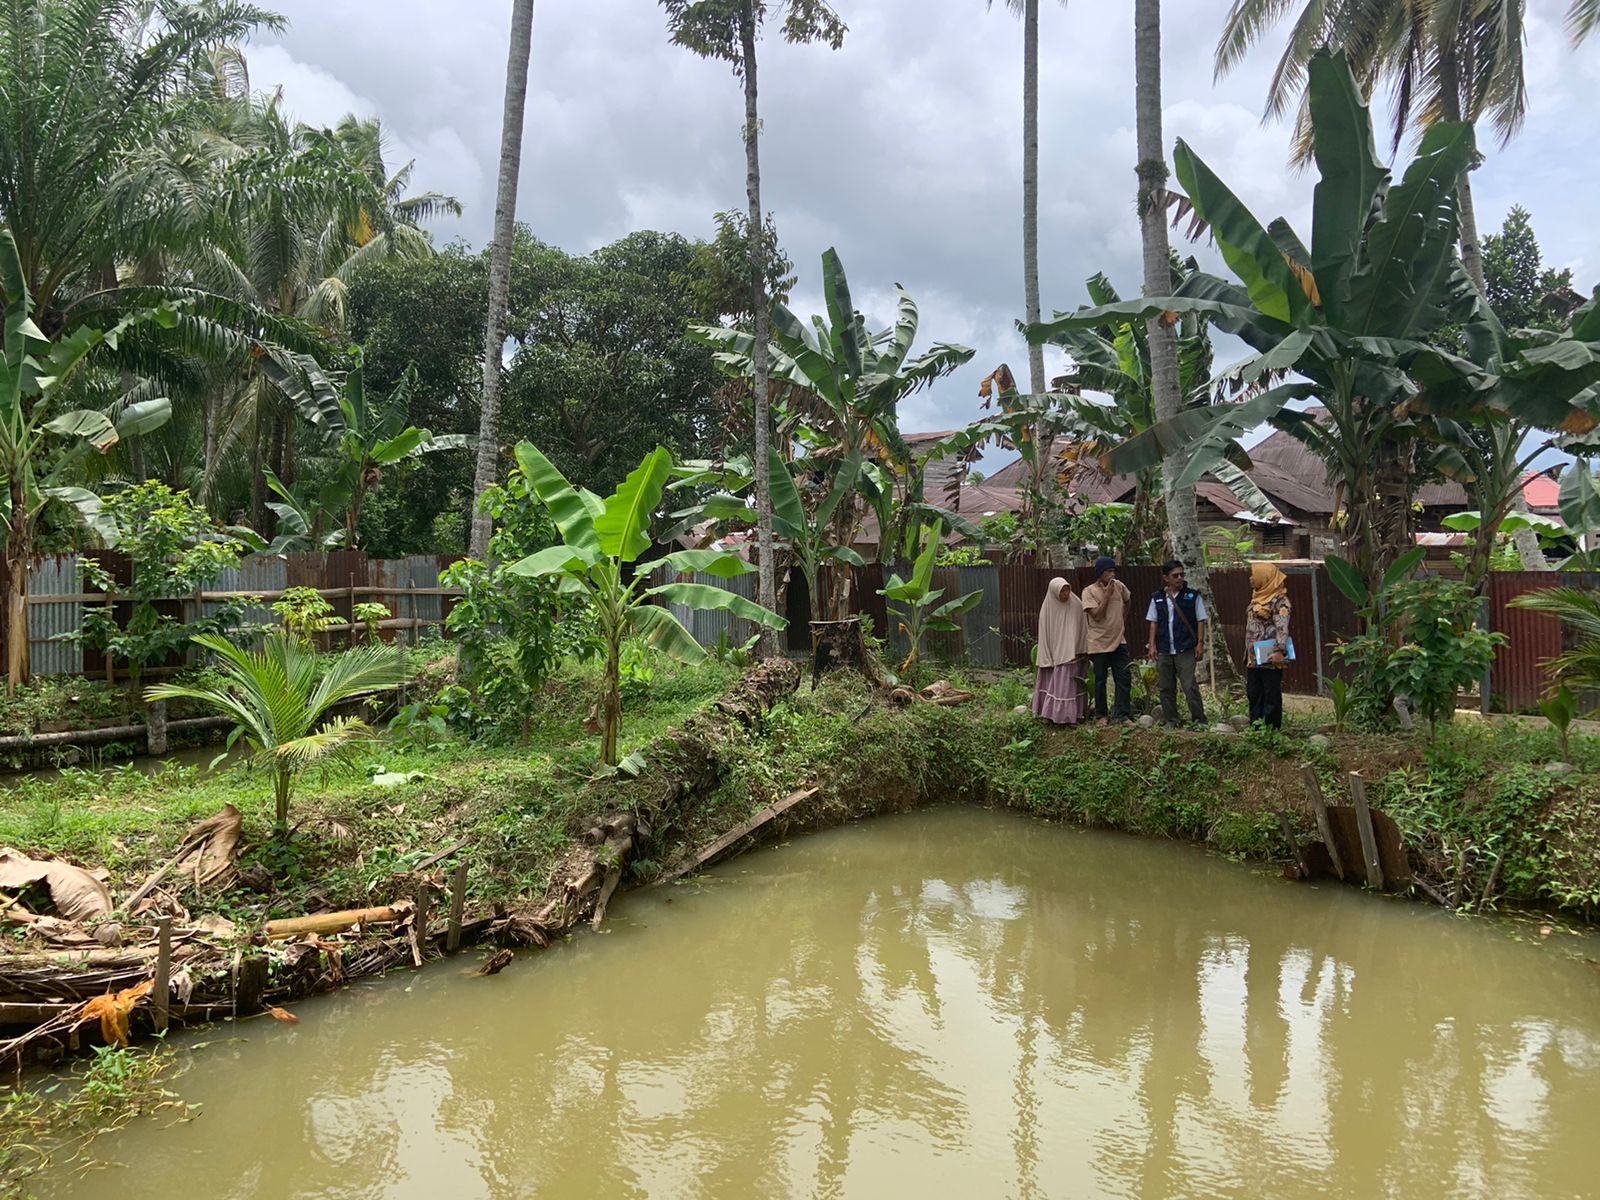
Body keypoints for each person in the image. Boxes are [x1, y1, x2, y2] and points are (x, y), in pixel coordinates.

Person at [1145, 560, 1207, 728]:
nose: (1179, 578)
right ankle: (1172, 720)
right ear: (1166, 578)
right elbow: (1153, 622)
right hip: (1164, 648)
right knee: (1166, 687)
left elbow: (1201, 620)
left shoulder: (1193, 596)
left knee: (1189, 686)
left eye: (1182, 574)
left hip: (1185, 647)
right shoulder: (1157, 598)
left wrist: (1200, 643)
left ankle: (1199, 721)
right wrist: (1152, 645)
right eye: (1175, 575)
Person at [1081, 555, 1132, 723]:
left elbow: (1128, 601)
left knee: (1123, 677)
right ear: (1100, 573)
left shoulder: (1120, 586)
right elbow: (1096, 615)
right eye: (1108, 571)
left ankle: (1122, 715)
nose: (1112, 575)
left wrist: (1121, 620)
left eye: (1113, 571)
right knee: (1100, 680)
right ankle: (1101, 715)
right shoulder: (1089, 591)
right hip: (1098, 643)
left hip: (1119, 640)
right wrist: (1107, 595)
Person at [1033, 576, 1088, 726]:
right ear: (1054, 592)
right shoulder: (1047, 608)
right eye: (1062, 591)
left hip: (1071, 652)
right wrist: (1048, 653)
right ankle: (1049, 714)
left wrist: (1079, 646)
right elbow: (1044, 633)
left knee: (1067, 682)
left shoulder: (1076, 604)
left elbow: (1082, 627)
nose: (1065, 594)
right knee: (1055, 681)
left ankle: (1070, 716)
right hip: (1053, 651)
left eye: (1067, 590)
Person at [1245, 560, 1291, 730]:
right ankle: (1255, 730)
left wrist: (1279, 651)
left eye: (1254, 575)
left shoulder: (1280, 602)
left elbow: (1282, 627)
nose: (1251, 578)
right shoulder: (1257, 597)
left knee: (1270, 695)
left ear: (1265, 578)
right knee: (1254, 693)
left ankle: (1271, 731)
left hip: (1271, 656)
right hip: (1253, 657)